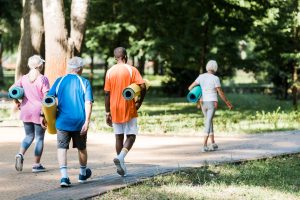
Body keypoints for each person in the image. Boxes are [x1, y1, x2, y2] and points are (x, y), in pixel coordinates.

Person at [45, 57, 93, 187]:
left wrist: (45, 117)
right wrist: (87, 121)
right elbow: (88, 102)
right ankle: (82, 174)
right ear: (80, 69)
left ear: (69, 68)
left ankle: (64, 177)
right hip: (79, 122)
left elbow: (48, 99)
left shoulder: (59, 81)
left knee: (61, 148)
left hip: (62, 121)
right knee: (82, 148)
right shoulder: (84, 82)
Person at [104, 47, 146, 176]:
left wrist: (107, 112)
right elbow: (143, 86)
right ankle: (121, 157)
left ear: (115, 58)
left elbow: (107, 93)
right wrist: (139, 101)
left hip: (114, 107)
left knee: (118, 136)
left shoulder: (110, 72)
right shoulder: (131, 69)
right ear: (126, 56)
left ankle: (120, 166)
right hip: (128, 106)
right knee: (131, 135)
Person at [12, 55, 50, 173]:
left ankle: (20, 154)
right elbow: (46, 97)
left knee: (28, 136)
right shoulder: (42, 79)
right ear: (40, 65)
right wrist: (44, 115)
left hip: (25, 110)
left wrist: (17, 102)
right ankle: (36, 165)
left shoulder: (23, 78)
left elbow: (12, 91)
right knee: (39, 138)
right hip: (39, 111)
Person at [188, 60, 233, 152]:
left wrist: (198, 97)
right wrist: (227, 102)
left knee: (209, 120)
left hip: (202, 102)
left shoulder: (201, 77)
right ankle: (204, 145)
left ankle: (213, 143)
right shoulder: (215, 78)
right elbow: (220, 92)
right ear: (215, 68)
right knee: (208, 121)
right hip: (212, 103)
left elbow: (190, 88)